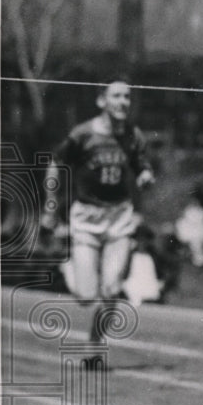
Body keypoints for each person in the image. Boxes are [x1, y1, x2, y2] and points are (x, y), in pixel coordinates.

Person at [41, 80, 155, 361]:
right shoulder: (83, 134)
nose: (123, 102)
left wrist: (144, 176)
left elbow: (142, 164)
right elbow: (55, 164)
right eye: (116, 96)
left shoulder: (132, 135)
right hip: (87, 219)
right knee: (85, 297)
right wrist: (50, 208)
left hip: (119, 217)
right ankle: (71, 266)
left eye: (127, 96)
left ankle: (94, 345)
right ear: (102, 101)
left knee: (112, 289)